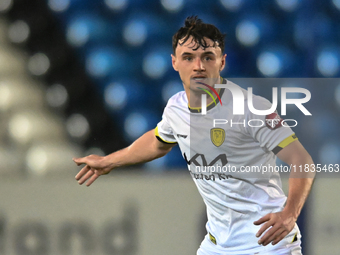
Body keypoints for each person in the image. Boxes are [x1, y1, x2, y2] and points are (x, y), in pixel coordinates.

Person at [73, 16, 315, 255]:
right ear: (174, 63)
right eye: (188, 58)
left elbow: (302, 161)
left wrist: (289, 215)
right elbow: (159, 142)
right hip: (217, 245)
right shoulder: (176, 108)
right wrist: (108, 161)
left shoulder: (251, 107)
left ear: (222, 62)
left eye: (207, 57)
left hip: (267, 243)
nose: (198, 66)